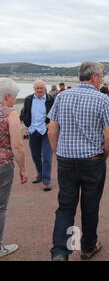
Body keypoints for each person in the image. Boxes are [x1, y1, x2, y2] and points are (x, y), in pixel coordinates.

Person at [47, 62, 109, 261]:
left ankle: (61, 251)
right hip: (92, 161)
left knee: (66, 207)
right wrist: (102, 157)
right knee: (90, 206)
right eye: (101, 76)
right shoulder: (102, 99)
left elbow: (52, 130)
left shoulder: (61, 96)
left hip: (66, 160)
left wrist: (58, 152)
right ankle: (87, 247)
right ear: (94, 77)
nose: (102, 79)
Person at [0, 78, 28, 258]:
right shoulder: (10, 113)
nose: (15, 99)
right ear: (8, 96)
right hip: (3, 164)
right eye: (15, 96)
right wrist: (23, 168)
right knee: (0, 207)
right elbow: (17, 145)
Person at [20, 79, 54, 191]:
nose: (39, 90)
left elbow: (56, 113)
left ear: (45, 89)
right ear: (34, 89)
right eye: (37, 88)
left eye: (41, 88)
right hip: (33, 131)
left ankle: (47, 180)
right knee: (35, 156)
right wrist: (27, 123)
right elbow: (24, 113)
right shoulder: (28, 99)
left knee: (47, 157)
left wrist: (50, 123)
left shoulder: (51, 99)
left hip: (45, 131)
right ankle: (40, 173)